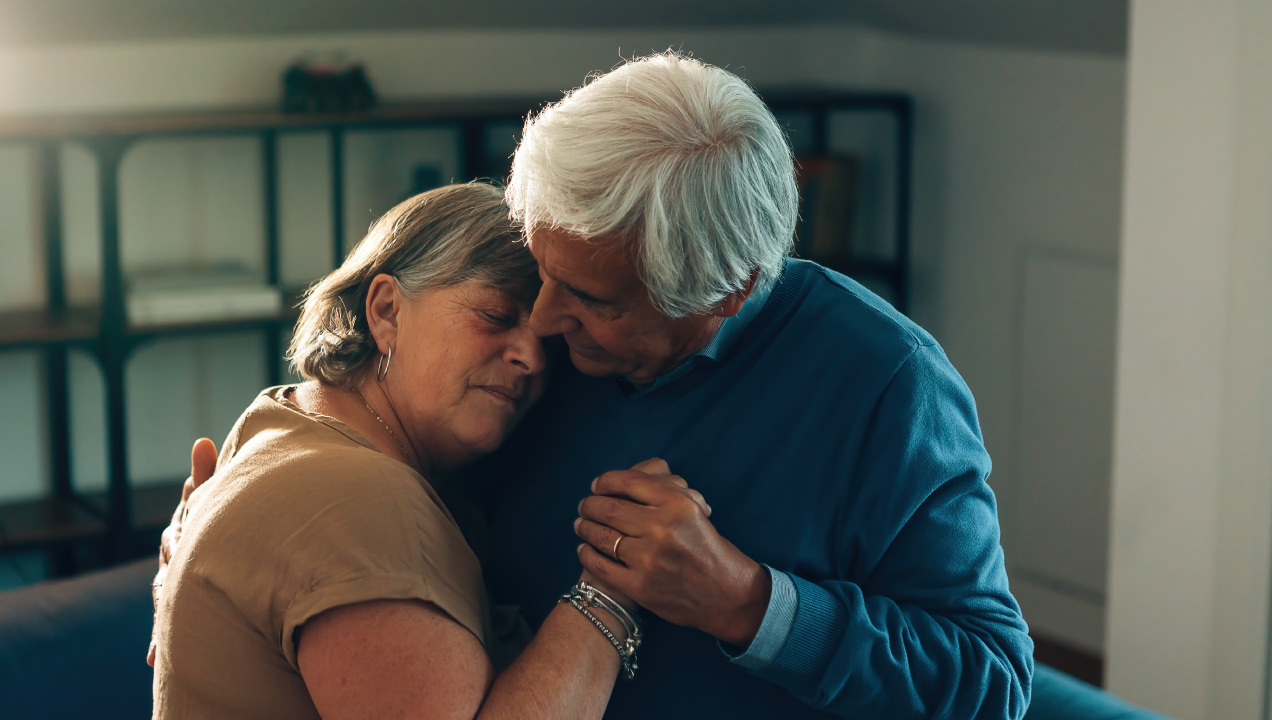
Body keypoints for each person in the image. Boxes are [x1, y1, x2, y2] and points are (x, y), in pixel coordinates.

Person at [159, 53, 1033, 718]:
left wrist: (749, 603)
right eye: (541, 271)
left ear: (726, 294)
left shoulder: (887, 386)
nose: (543, 322)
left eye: (593, 299)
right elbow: (371, 474)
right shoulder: (532, 358)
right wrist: (224, 546)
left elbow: (994, 682)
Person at [151, 182, 672, 719]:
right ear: (386, 312)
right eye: (496, 315)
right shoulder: (361, 496)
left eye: (548, 344)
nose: (532, 359)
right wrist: (610, 585)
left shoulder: (279, 418)